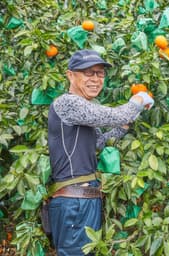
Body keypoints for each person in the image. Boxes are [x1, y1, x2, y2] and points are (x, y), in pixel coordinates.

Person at [47, 49, 154, 255]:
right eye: (88, 73)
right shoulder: (67, 103)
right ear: (70, 75)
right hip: (74, 202)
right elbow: (113, 115)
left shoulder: (83, 110)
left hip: (86, 200)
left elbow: (100, 143)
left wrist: (124, 126)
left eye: (100, 73)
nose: (96, 79)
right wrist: (138, 100)